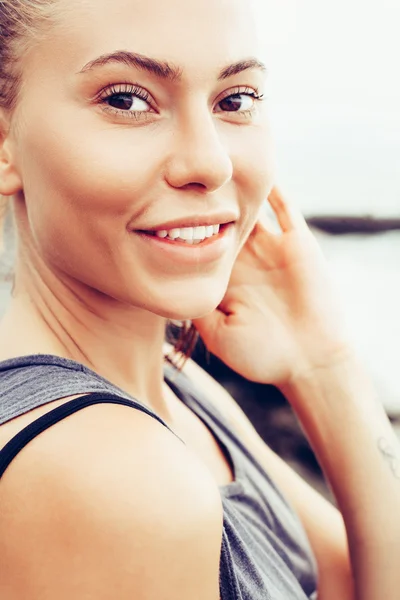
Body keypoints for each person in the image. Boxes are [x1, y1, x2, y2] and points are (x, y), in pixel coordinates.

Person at [0, 0, 399, 598]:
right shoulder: (110, 475)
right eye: (127, 100)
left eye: (234, 100)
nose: (209, 163)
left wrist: (324, 363)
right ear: (5, 143)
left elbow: (357, 578)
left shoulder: (171, 383)